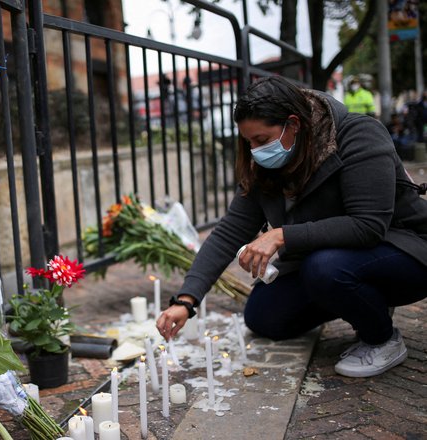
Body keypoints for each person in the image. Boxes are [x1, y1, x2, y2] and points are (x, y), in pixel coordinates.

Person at [157, 76, 427, 378]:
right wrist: (186, 300)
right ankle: (363, 299)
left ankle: (383, 339)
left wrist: (282, 235)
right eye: (248, 141)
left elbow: (368, 225)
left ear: (294, 124)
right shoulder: (266, 164)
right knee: (263, 317)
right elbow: (229, 231)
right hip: (331, 258)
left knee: (324, 268)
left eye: (261, 140)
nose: (255, 150)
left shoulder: (359, 135)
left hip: (405, 248)